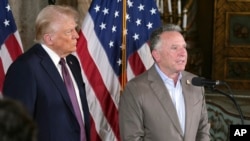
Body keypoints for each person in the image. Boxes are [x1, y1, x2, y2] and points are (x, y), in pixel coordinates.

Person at [3, 5, 90, 141]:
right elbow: (15, 127)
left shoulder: (72, 62)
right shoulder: (25, 68)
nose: (76, 36)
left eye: (75, 29)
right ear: (49, 39)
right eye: (69, 31)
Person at [119, 24, 210, 141]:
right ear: (157, 55)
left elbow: (203, 129)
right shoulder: (135, 89)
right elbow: (132, 138)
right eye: (174, 48)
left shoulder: (195, 83)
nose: (183, 53)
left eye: (184, 47)